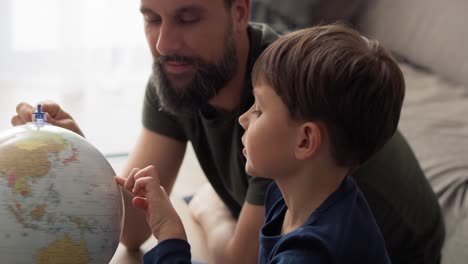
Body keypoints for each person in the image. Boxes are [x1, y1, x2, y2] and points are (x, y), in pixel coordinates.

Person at [11, 0, 444, 263]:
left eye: (187, 18)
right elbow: (132, 228)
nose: (164, 44)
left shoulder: (286, 98)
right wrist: (79, 159)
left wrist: (206, 209)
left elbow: (243, 261)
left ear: (238, 12)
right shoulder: (177, 75)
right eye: (152, 19)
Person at [116, 24, 400, 263]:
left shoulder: (311, 254)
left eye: (259, 110)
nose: (242, 118)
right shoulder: (289, 194)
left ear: (305, 141)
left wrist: (170, 237)